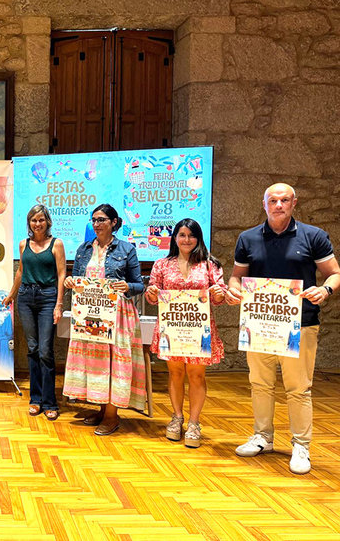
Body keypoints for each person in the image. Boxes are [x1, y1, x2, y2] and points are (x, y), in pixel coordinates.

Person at [225, 183, 340, 474]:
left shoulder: (313, 236)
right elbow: (237, 277)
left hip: (300, 325)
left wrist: (325, 291)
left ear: (294, 203)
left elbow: (334, 274)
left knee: (298, 388)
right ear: (264, 204)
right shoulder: (247, 238)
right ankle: (263, 436)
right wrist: (234, 290)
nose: (278, 205)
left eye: (284, 200)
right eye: (273, 200)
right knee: (259, 384)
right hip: (259, 323)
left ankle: (301, 446)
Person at [62, 203, 146, 435]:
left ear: (114, 223)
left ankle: (112, 416)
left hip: (117, 317)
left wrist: (127, 285)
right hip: (90, 315)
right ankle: (101, 409)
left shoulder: (127, 249)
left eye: (101, 220)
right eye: (94, 220)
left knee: (114, 363)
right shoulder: (83, 249)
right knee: (96, 363)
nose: (97, 224)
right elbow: (77, 279)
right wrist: (70, 282)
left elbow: (139, 284)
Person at [144, 218, 226, 448]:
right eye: (182, 234)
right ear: (175, 238)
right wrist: (151, 292)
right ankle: (176, 417)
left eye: (191, 235)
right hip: (172, 328)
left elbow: (220, 297)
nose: (186, 239)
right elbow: (153, 295)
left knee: (197, 375)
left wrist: (218, 292)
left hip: (199, 330)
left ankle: (194, 423)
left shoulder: (211, 264)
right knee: (175, 373)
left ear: (198, 238)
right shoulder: (161, 264)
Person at [4, 205, 66, 420]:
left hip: (48, 298)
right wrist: (12, 294)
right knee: (32, 349)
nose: (37, 224)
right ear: (29, 223)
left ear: (47, 221)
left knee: (45, 351)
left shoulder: (56, 244)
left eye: (41, 220)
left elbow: (61, 275)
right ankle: (36, 399)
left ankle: (50, 401)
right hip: (26, 299)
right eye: (33, 220)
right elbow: (21, 271)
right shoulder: (24, 244)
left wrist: (59, 304)